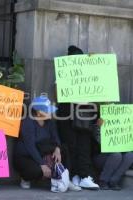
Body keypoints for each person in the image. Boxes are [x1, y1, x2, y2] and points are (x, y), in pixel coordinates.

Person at [56, 45, 99, 190]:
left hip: (83, 116)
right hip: (67, 116)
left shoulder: (88, 75)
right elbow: (58, 95)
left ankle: (84, 176)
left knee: (84, 145)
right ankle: (75, 175)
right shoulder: (63, 73)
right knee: (71, 146)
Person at [14, 95, 71, 191]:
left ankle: (64, 178)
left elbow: (56, 138)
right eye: (47, 110)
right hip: (26, 156)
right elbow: (30, 146)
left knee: (64, 149)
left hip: (42, 152)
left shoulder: (50, 122)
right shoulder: (28, 122)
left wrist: (57, 149)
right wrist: (42, 164)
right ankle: (25, 178)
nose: (51, 112)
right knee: (35, 170)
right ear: (39, 112)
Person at [93, 111, 133, 190]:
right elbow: (98, 140)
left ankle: (114, 181)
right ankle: (103, 181)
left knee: (130, 155)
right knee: (116, 155)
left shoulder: (125, 126)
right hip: (100, 157)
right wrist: (98, 126)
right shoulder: (99, 123)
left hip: (120, 156)